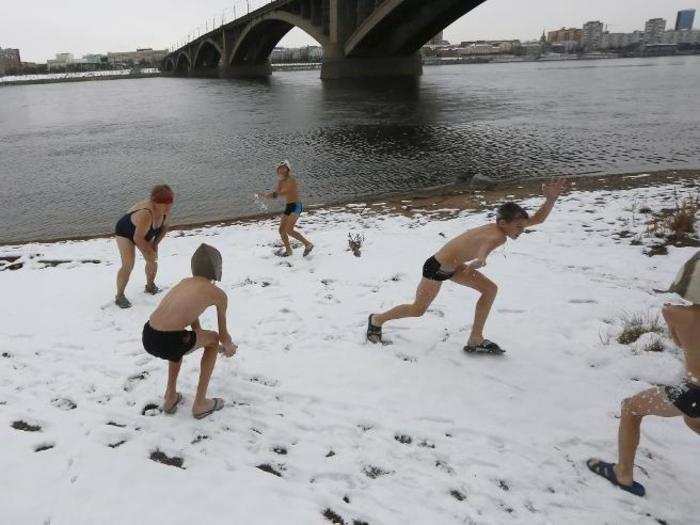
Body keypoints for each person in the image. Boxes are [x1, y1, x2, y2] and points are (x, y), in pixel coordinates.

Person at [366, 179, 569, 353]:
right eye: (518, 226)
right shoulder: (498, 236)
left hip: (456, 267)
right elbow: (486, 246)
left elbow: (538, 219)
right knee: (418, 309)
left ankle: (475, 339)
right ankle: (376, 320)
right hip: (436, 268)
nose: (521, 230)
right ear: (503, 222)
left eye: (523, 226)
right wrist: (480, 259)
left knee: (490, 290)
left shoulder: (501, 228)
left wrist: (550, 200)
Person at [587, 254, 700, 497]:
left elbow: (679, 343)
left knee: (631, 408)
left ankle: (623, 473)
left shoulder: (675, 314)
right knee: (693, 421)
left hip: (693, 392)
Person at [142, 243, 238, 420]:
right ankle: (200, 403)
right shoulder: (218, 294)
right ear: (217, 269)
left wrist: (199, 337)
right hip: (170, 340)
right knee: (213, 339)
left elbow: (192, 320)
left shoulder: (185, 282)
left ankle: (170, 397)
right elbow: (223, 336)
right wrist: (229, 347)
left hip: (148, 334)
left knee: (180, 341)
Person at [114, 185, 174, 308]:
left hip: (144, 231)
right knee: (128, 264)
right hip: (126, 231)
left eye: (170, 203)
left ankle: (150, 286)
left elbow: (164, 228)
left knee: (152, 260)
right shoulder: (146, 213)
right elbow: (137, 238)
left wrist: (155, 245)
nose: (168, 207)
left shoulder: (165, 212)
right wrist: (149, 250)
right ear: (155, 202)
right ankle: (119, 296)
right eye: (164, 204)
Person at [256, 160, 313, 257]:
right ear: (278, 170)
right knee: (281, 230)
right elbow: (276, 195)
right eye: (280, 168)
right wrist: (265, 195)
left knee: (289, 230)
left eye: (284, 167)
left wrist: (274, 194)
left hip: (296, 205)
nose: (282, 169)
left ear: (287, 169)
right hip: (289, 206)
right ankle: (289, 251)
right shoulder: (281, 182)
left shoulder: (291, 179)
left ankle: (308, 244)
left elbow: (286, 192)